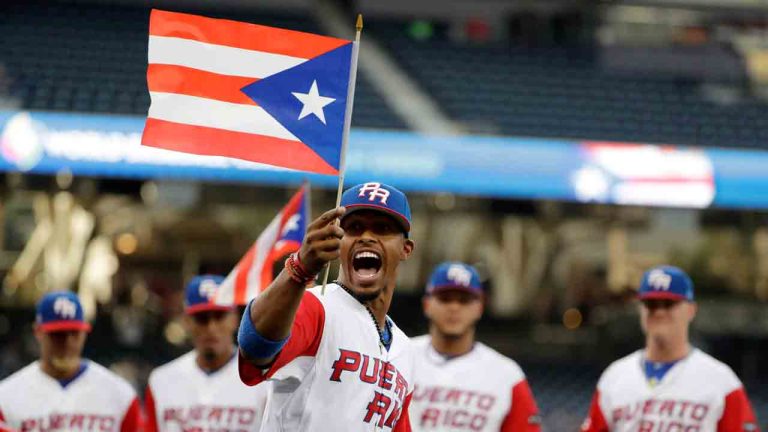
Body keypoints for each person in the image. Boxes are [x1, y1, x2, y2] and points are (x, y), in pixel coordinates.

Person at [237, 181, 417, 431]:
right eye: (353, 228)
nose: (366, 237)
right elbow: (254, 346)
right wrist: (299, 268)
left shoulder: (405, 349)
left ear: (405, 249)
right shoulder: (317, 307)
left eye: (382, 228)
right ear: (337, 240)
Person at [581, 265, 760, 432]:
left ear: (691, 310)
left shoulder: (722, 381)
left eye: (668, 303)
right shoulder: (614, 377)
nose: (659, 312)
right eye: (651, 304)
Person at [409, 262, 541, 431]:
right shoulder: (399, 355)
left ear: (479, 307)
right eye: (445, 299)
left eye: (464, 300)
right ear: (427, 305)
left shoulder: (507, 374)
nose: (454, 307)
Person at [0, 291, 142, 431]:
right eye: (58, 334)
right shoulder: (6, 397)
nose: (67, 343)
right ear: (38, 332)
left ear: (84, 334)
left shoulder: (120, 395)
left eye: (73, 333)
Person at [145, 274, 268, 431]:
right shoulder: (161, 380)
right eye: (202, 318)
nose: (211, 328)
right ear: (187, 322)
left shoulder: (264, 380)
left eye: (219, 316)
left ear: (235, 318)